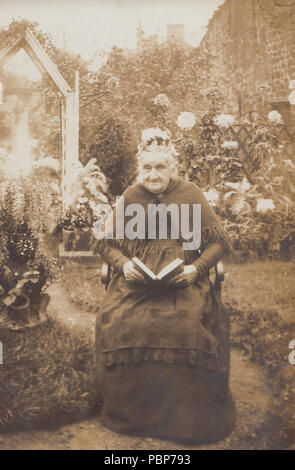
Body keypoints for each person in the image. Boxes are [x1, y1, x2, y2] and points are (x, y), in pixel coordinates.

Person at [92, 129, 236, 443]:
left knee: (186, 325)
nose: (153, 174)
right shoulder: (131, 196)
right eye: (147, 168)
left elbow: (221, 243)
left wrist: (195, 269)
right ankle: (133, 415)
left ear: (173, 168)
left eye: (161, 167)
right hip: (136, 285)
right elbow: (103, 243)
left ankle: (183, 421)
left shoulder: (191, 194)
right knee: (123, 322)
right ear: (138, 169)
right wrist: (124, 264)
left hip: (183, 282)